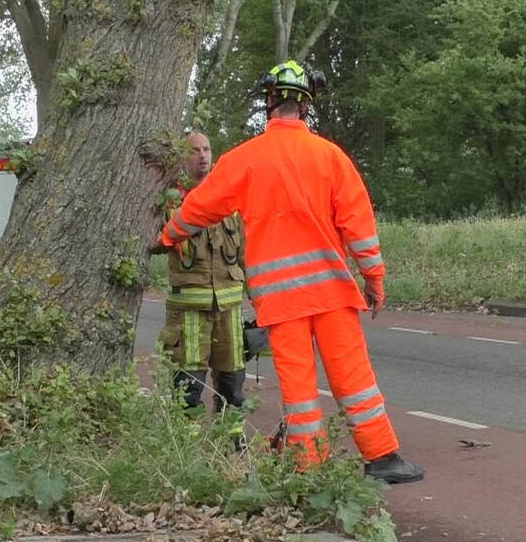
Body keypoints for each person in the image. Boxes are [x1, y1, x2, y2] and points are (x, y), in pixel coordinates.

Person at [152, 61, 423, 484]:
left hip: (280, 299)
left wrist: (167, 238)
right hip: (331, 293)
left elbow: (197, 209)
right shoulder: (331, 157)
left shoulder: (245, 159)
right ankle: (383, 458)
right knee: (354, 378)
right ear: (307, 105)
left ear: (269, 102)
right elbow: (359, 226)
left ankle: (308, 466)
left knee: (298, 388)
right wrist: (374, 278)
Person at [159, 132, 249, 420]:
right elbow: (156, 242)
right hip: (189, 312)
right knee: (188, 386)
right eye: (195, 150)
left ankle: (233, 440)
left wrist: (263, 301)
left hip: (229, 309)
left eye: (207, 149)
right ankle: (185, 443)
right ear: (182, 157)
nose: (202, 156)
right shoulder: (171, 201)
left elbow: (246, 254)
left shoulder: (229, 199)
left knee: (233, 385)